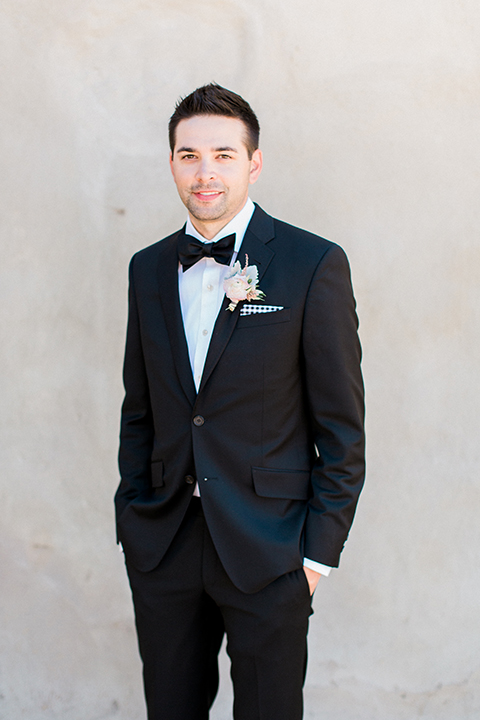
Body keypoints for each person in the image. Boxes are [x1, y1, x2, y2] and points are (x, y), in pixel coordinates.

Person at [115, 83, 365, 720]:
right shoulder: (146, 269)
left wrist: (314, 559)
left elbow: (341, 428)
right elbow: (138, 408)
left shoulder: (312, 264)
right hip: (166, 542)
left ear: (254, 163)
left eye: (224, 154)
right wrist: (134, 518)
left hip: (271, 548)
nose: (205, 172)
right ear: (171, 162)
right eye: (189, 154)